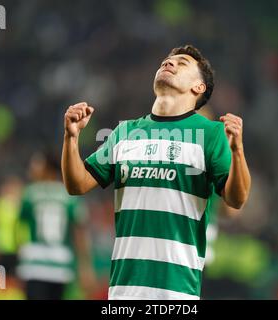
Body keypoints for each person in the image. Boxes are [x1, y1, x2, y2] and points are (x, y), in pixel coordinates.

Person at [61, 45, 251, 300]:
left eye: (181, 63)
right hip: (124, 289)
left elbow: (236, 199)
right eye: (166, 61)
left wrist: (237, 151)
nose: (169, 63)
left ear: (198, 87)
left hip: (176, 290)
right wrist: (71, 138)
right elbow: (77, 185)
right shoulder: (124, 132)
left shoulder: (211, 134)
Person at [16, 151, 95, 300]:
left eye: (37, 164)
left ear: (47, 168)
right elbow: (79, 233)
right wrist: (86, 267)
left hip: (35, 263)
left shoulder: (31, 193)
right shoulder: (70, 195)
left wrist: (20, 253)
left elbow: (19, 227)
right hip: (61, 264)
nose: (32, 168)